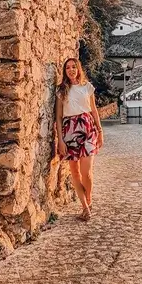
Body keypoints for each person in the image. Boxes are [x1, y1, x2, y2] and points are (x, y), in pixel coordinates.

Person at [55, 57, 104, 221]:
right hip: (69, 130)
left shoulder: (86, 87)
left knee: (86, 173)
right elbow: (59, 117)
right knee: (75, 172)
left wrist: (100, 130)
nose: (71, 70)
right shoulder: (61, 90)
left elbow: (94, 110)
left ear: (78, 69)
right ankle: (85, 208)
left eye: (74, 67)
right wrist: (60, 140)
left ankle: (88, 200)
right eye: (68, 67)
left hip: (88, 129)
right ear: (64, 71)